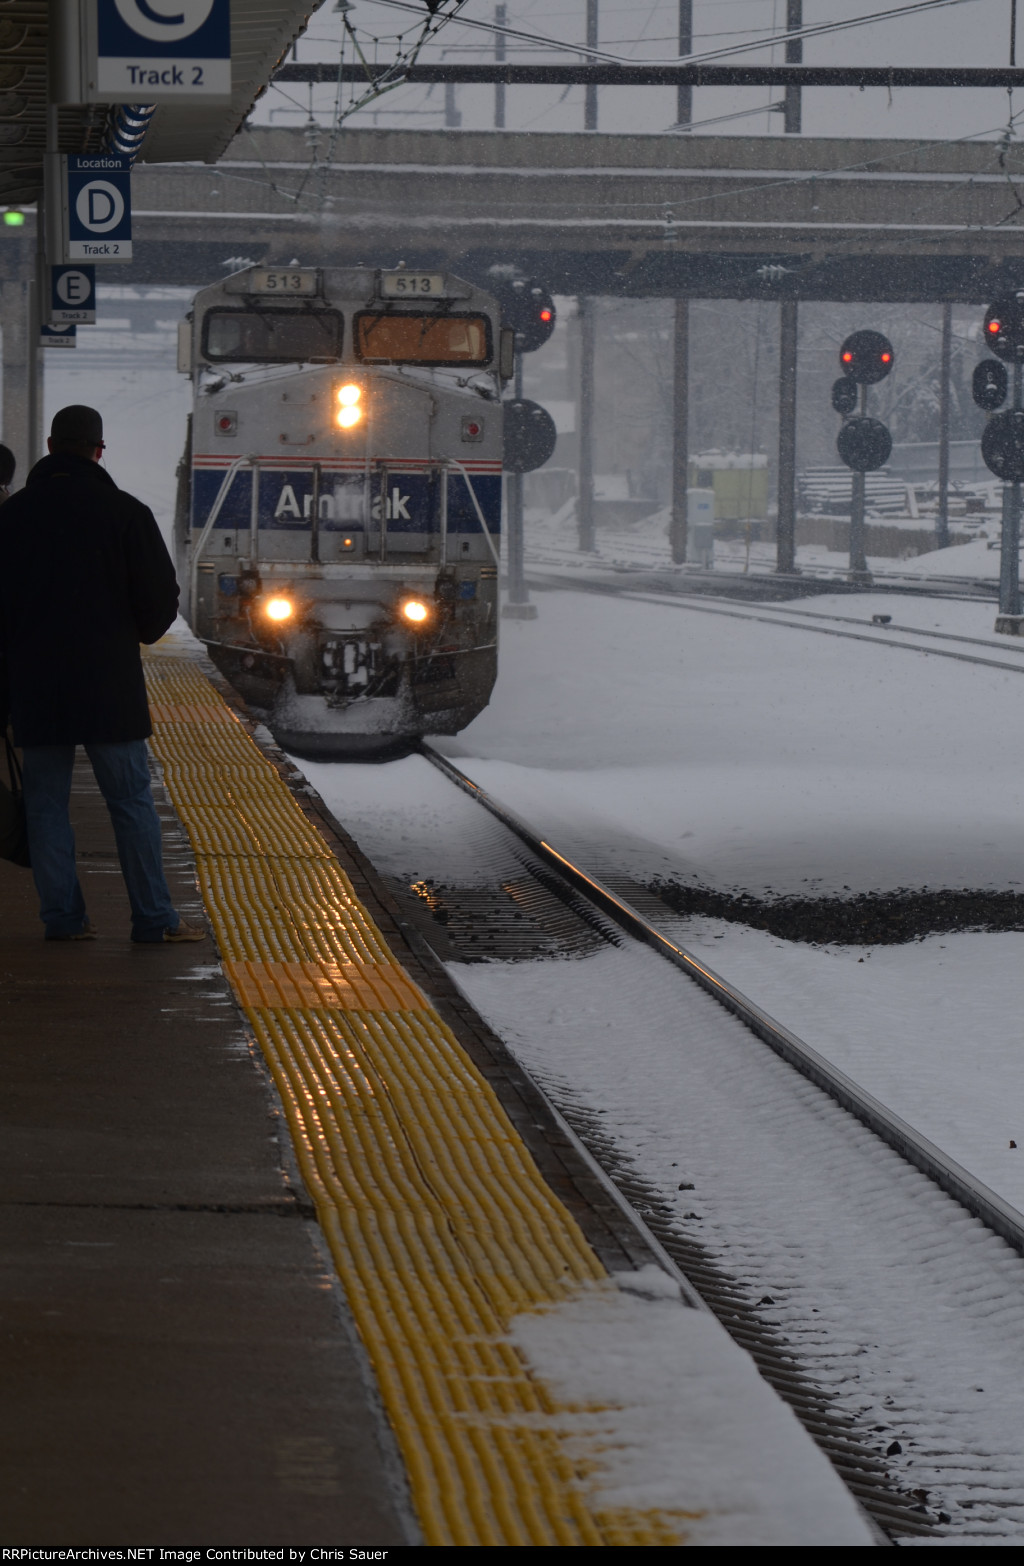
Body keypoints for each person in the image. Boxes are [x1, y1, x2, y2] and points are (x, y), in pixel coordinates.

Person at [0, 406, 205, 943]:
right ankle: (154, 919)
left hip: (36, 688)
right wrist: (127, 631)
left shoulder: (11, 517)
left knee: (45, 806)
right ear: (98, 450)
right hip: (108, 688)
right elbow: (159, 605)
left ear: (50, 446)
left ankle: (63, 920)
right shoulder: (126, 513)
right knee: (131, 803)